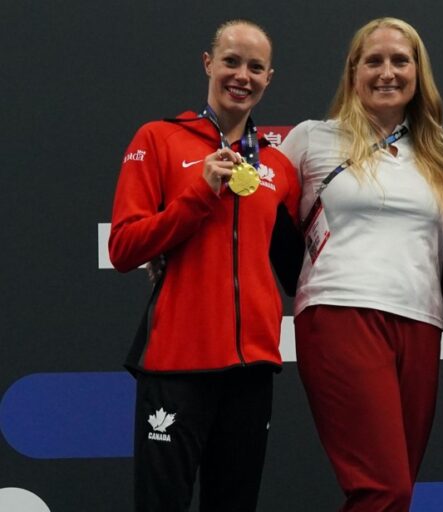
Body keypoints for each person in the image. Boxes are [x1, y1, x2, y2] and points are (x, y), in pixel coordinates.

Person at [108, 20, 300, 512]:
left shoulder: (276, 166)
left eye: (255, 67)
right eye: (231, 61)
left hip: (251, 368)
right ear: (208, 63)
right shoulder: (159, 138)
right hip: (176, 362)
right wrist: (199, 196)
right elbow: (125, 248)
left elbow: (299, 264)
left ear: (269, 78)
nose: (242, 75)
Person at [278, 17, 443, 512]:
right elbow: (252, 215)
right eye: (373, 60)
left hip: (421, 322)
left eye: (401, 60)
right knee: (383, 489)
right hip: (341, 312)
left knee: (395, 492)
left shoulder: (440, 152)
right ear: (352, 71)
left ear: (418, 72)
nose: (387, 72)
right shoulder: (311, 139)